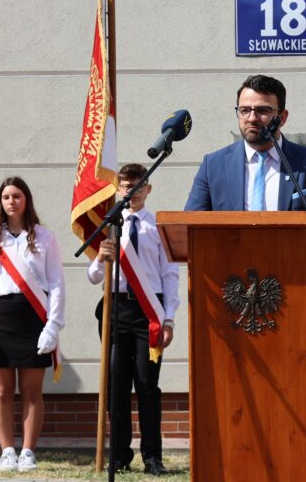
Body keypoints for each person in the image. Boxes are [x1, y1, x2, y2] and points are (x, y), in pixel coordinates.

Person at [87, 164, 180, 476]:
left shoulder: (157, 226)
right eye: (126, 186)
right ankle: (119, 455)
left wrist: (169, 320)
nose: (132, 191)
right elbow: (93, 277)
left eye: (138, 186)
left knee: (147, 385)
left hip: (148, 313)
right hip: (116, 311)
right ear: (118, 188)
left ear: (148, 189)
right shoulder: (110, 226)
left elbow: (169, 275)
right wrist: (101, 258)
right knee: (116, 385)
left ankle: (152, 456)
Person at [0, 177, 65, 472]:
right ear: (1, 202)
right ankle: (7, 451)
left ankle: (28, 452)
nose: (12, 201)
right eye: (7, 196)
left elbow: (56, 284)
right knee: (1, 391)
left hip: (32, 316)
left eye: (17, 196)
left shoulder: (45, 237)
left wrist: (53, 326)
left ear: (27, 200)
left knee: (31, 390)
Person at [184, 74, 306, 234]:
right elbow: (189, 228)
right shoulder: (213, 165)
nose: (252, 118)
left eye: (262, 110)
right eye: (244, 110)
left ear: (282, 117)